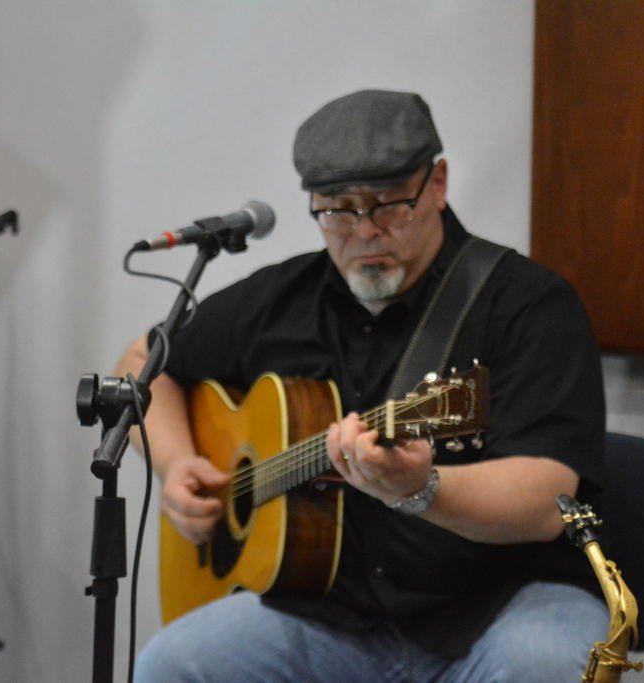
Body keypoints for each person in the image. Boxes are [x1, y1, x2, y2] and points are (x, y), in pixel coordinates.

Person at [118, 89, 608, 682]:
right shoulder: (281, 299)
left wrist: (420, 487)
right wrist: (177, 466)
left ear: (438, 184)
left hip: (501, 603)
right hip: (330, 613)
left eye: (388, 206)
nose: (365, 232)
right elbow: (143, 365)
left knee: (550, 667)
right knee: (171, 666)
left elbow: (545, 501)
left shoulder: (528, 306)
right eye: (338, 211)